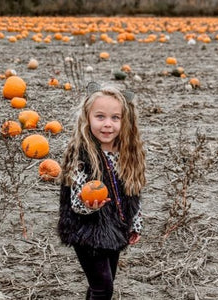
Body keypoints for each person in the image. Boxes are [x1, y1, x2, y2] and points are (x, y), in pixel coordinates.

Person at [58, 81, 146, 300]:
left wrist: (134, 223)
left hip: (115, 228)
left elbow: (134, 190)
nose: (108, 124)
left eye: (115, 118)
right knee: (102, 287)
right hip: (86, 230)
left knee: (104, 283)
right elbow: (76, 202)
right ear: (87, 118)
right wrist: (88, 206)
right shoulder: (81, 154)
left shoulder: (127, 153)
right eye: (100, 117)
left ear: (125, 121)